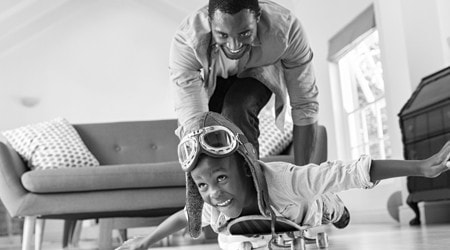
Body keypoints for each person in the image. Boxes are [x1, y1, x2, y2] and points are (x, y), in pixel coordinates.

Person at [117, 112, 450, 250]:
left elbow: (350, 171)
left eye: (221, 177)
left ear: (246, 169)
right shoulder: (215, 206)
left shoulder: (285, 181)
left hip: (308, 207)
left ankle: (336, 208)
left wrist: (422, 168)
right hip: (270, 224)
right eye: (203, 185)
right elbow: (184, 216)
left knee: (324, 198)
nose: (214, 192)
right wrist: (146, 241)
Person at [170, 0, 319, 165]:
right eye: (223, 35)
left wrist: (303, 177)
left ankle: (253, 185)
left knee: (237, 108)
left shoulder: (286, 31)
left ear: (257, 18)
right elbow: (193, 122)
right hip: (214, 77)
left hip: (259, 72)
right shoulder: (187, 41)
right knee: (207, 125)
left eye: (244, 33)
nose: (234, 46)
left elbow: (305, 105)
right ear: (210, 22)